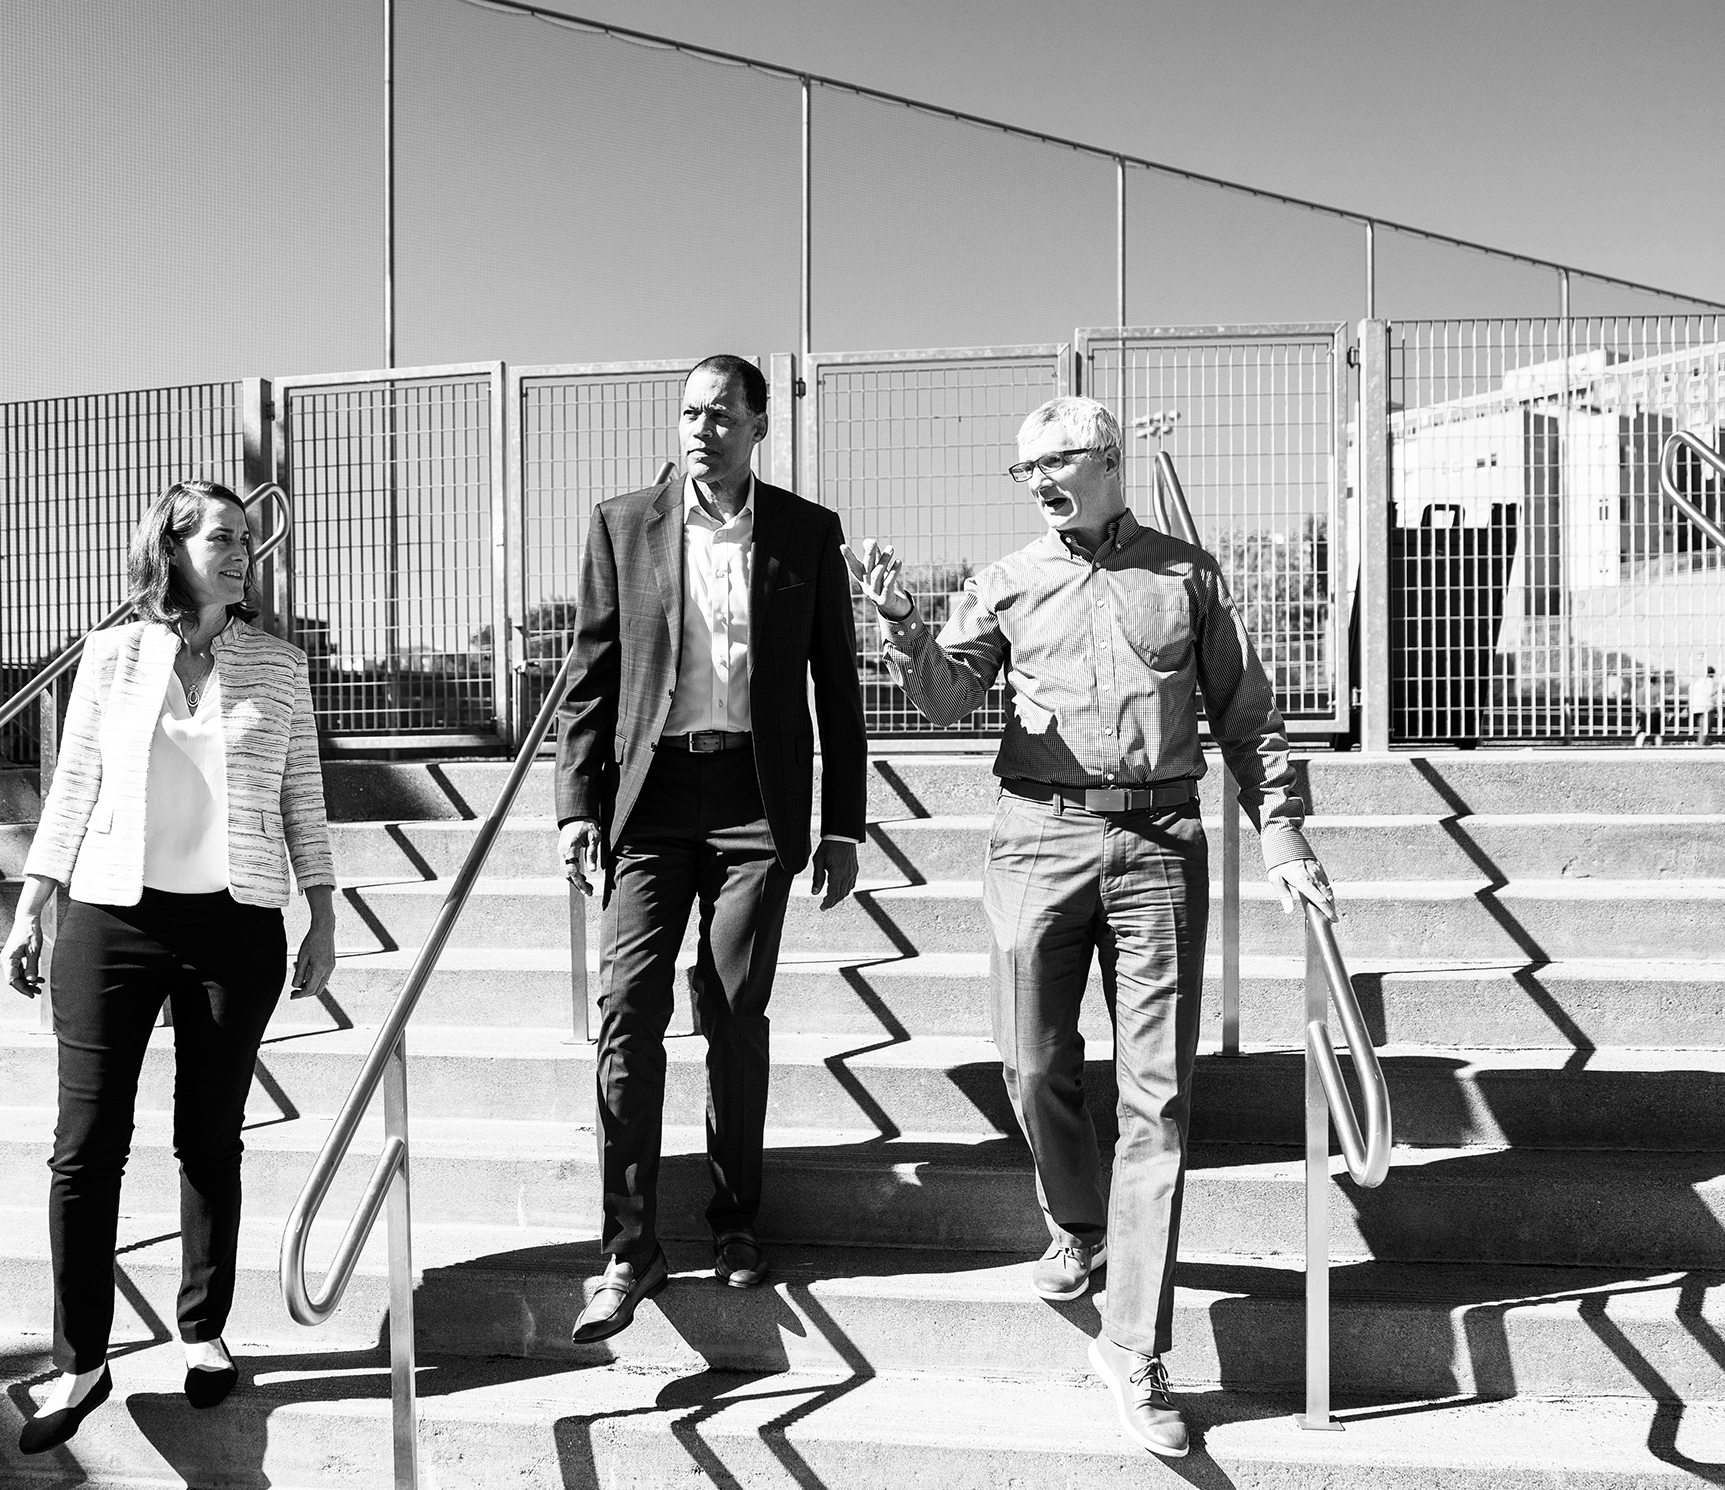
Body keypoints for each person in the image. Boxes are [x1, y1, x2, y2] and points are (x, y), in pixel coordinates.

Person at [844, 395, 1335, 1459]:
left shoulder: (1186, 573)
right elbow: (940, 699)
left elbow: (1245, 714)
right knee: (1031, 1066)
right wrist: (900, 625)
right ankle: (1078, 1220)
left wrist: (1284, 835)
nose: (1038, 483)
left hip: (1158, 842)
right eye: (1023, 471)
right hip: (1035, 838)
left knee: (1156, 1098)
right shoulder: (1006, 581)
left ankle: (1134, 1343)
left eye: (1054, 463)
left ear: (1109, 460)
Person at [0, 479, 337, 1453]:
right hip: (110, 920)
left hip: (235, 925)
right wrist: (33, 902)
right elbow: (73, 785)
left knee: (208, 1135)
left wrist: (322, 911)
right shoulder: (111, 653)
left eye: (245, 540)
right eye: (218, 537)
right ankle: (79, 1359)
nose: (238, 552)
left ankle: (202, 1330)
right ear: (172, 547)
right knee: (85, 1141)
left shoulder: (277, 665)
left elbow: (303, 799)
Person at [557, 354, 868, 1343]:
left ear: (759, 425)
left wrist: (843, 823)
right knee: (626, 1011)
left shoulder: (805, 534)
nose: (702, 428)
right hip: (649, 803)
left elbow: (836, 689)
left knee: (733, 1004)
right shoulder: (620, 524)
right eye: (690, 412)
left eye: (723, 414)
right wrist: (575, 805)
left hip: (753, 803)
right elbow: (588, 676)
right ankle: (627, 1244)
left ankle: (734, 1222)